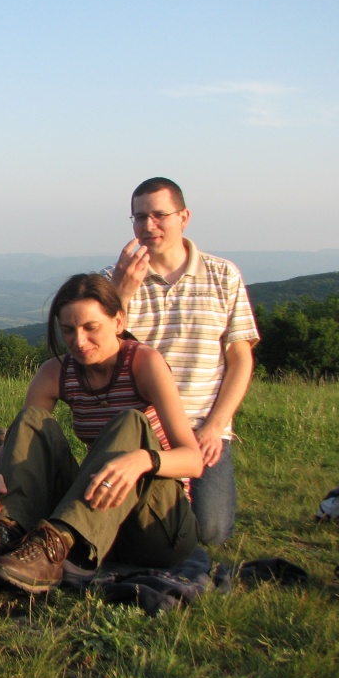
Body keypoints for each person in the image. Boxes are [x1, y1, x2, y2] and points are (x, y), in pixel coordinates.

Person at [0, 274, 202, 593]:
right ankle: (8, 531)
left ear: (118, 321)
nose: (79, 341)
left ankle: (55, 544)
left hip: (156, 525)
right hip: (100, 519)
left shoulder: (145, 363)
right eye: (68, 330)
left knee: (131, 422)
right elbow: (22, 440)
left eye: (90, 327)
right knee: (31, 419)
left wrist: (142, 460)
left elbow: (193, 460)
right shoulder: (56, 372)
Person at [105, 177, 259, 545]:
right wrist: (122, 293)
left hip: (203, 428)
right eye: (139, 217)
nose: (149, 226)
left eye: (159, 215)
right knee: (132, 533)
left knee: (211, 531)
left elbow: (240, 358)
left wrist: (215, 426)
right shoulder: (111, 280)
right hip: (140, 428)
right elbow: (99, 355)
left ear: (184, 217)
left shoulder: (223, 275)